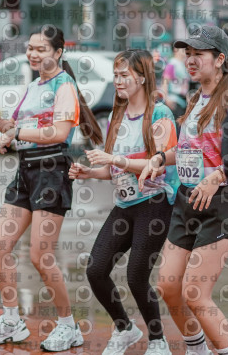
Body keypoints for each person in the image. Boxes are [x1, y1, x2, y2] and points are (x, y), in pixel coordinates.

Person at [140, 25, 228, 355]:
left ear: (220, 59)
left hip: (222, 202)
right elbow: (189, 150)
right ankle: (197, 349)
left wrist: (218, 177)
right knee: (168, 287)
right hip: (187, 201)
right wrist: (160, 158)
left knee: (195, 294)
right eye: (188, 54)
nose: (190, 60)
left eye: (199, 54)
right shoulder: (196, 99)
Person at [0, 25, 103, 349]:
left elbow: (58, 132)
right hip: (25, 171)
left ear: (58, 53)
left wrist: (15, 132)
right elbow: (18, 127)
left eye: (41, 49)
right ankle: (11, 321)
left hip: (51, 173)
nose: (33, 54)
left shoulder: (65, 86)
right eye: (30, 48)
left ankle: (69, 326)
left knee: (40, 255)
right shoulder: (33, 86)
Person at [69, 50, 179, 355]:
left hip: (155, 202)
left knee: (136, 276)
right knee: (95, 269)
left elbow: (157, 163)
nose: (118, 81)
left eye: (124, 75)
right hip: (124, 205)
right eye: (115, 75)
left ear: (141, 78)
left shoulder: (160, 114)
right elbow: (112, 169)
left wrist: (115, 159)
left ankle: (158, 341)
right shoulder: (115, 118)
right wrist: (90, 172)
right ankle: (125, 329)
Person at [161, 47, 189, 121]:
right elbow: (165, 82)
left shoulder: (184, 64)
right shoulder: (172, 64)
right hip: (173, 100)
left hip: (182, 102)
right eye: (182, 48)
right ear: (175, 49)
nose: (185, 50)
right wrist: (167, 99)